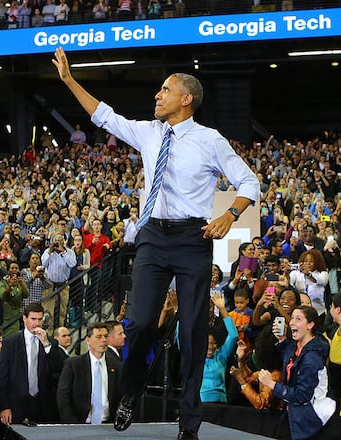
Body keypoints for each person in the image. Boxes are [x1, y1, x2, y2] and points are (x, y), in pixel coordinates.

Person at [53, 47, 259, 440]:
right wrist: (68, 80)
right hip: (152, 236)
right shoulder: (149, 132)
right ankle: (129, 392)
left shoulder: (209, 140)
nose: (157, 95)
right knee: (141, 321)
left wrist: (228, 215)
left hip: (191, 238)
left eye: (165, 90)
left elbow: (249, 182)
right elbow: (104, 115)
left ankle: (189, 424)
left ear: (187, 98)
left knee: (195, 332)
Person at [259, 305, 334, 440]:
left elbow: (301, 396)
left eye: (298, 319)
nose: (292, 322)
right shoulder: (296, 346)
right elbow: (291, 358)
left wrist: (271, 384)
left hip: (308, 418)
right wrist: (282, 340)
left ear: (310, 324)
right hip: (292, 414)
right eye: (292, 318)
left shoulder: (312, 359)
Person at [0, 303, 67, 425]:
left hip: (43, 406)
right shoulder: (11, 343)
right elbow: (0, 378)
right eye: (33, 319)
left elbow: (59, 369)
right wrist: (4, 407)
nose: (37, 323)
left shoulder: (50, 343)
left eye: (40, 319)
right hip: (17, 405)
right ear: (24, 318)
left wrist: (46, 344)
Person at [56, 322, 122, 423]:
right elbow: (63, 396)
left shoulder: (116, 365)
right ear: (88, 340)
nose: (104, 340)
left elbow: (121, 395)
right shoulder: (74, 364)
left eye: (106, 336)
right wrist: (72, 424)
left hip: (108, 425)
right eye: (99, 337)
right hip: (80, 424)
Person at [200, 294, 237, 403]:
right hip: (200, 403)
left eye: (213, 343)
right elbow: (181, 337)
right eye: (207, 343)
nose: (210, 347)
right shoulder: (195, 358)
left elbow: (233, 335)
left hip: (220, 403)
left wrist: (222, 308)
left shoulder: (221, 356)